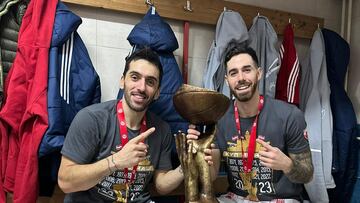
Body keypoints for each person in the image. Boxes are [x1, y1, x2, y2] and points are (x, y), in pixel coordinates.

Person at [187, 39, 314, 203]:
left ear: (259, 73)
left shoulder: (290, 115)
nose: (241, 78)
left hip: (280, 200)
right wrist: (198, 155)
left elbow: (307, 174)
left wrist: (287, 164)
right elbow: (211, 175)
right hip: (236, 198)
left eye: (247, 70)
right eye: (233, 73)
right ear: (227, 80)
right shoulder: (219, 117)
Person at [58, 47, 184, 203]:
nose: (142, 87)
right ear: (122, 81)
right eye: (135, 77)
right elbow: (65, 182)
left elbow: (161, 186)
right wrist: (116, 161)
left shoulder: (161, 129)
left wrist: (185, 166)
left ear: (157, 92)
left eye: (150, 82)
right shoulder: (91, 118)